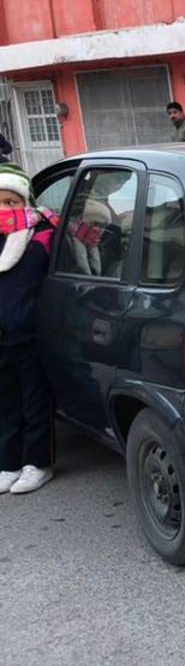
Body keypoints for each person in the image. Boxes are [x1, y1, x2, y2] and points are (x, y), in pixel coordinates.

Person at [0, 164, 57, 495]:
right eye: (1, 201)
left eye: (12, 202)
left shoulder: (43, 232)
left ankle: (38, 463)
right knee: (6, 405)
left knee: (35, 402)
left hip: (31, 333)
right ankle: (8, 463)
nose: (6, 209)